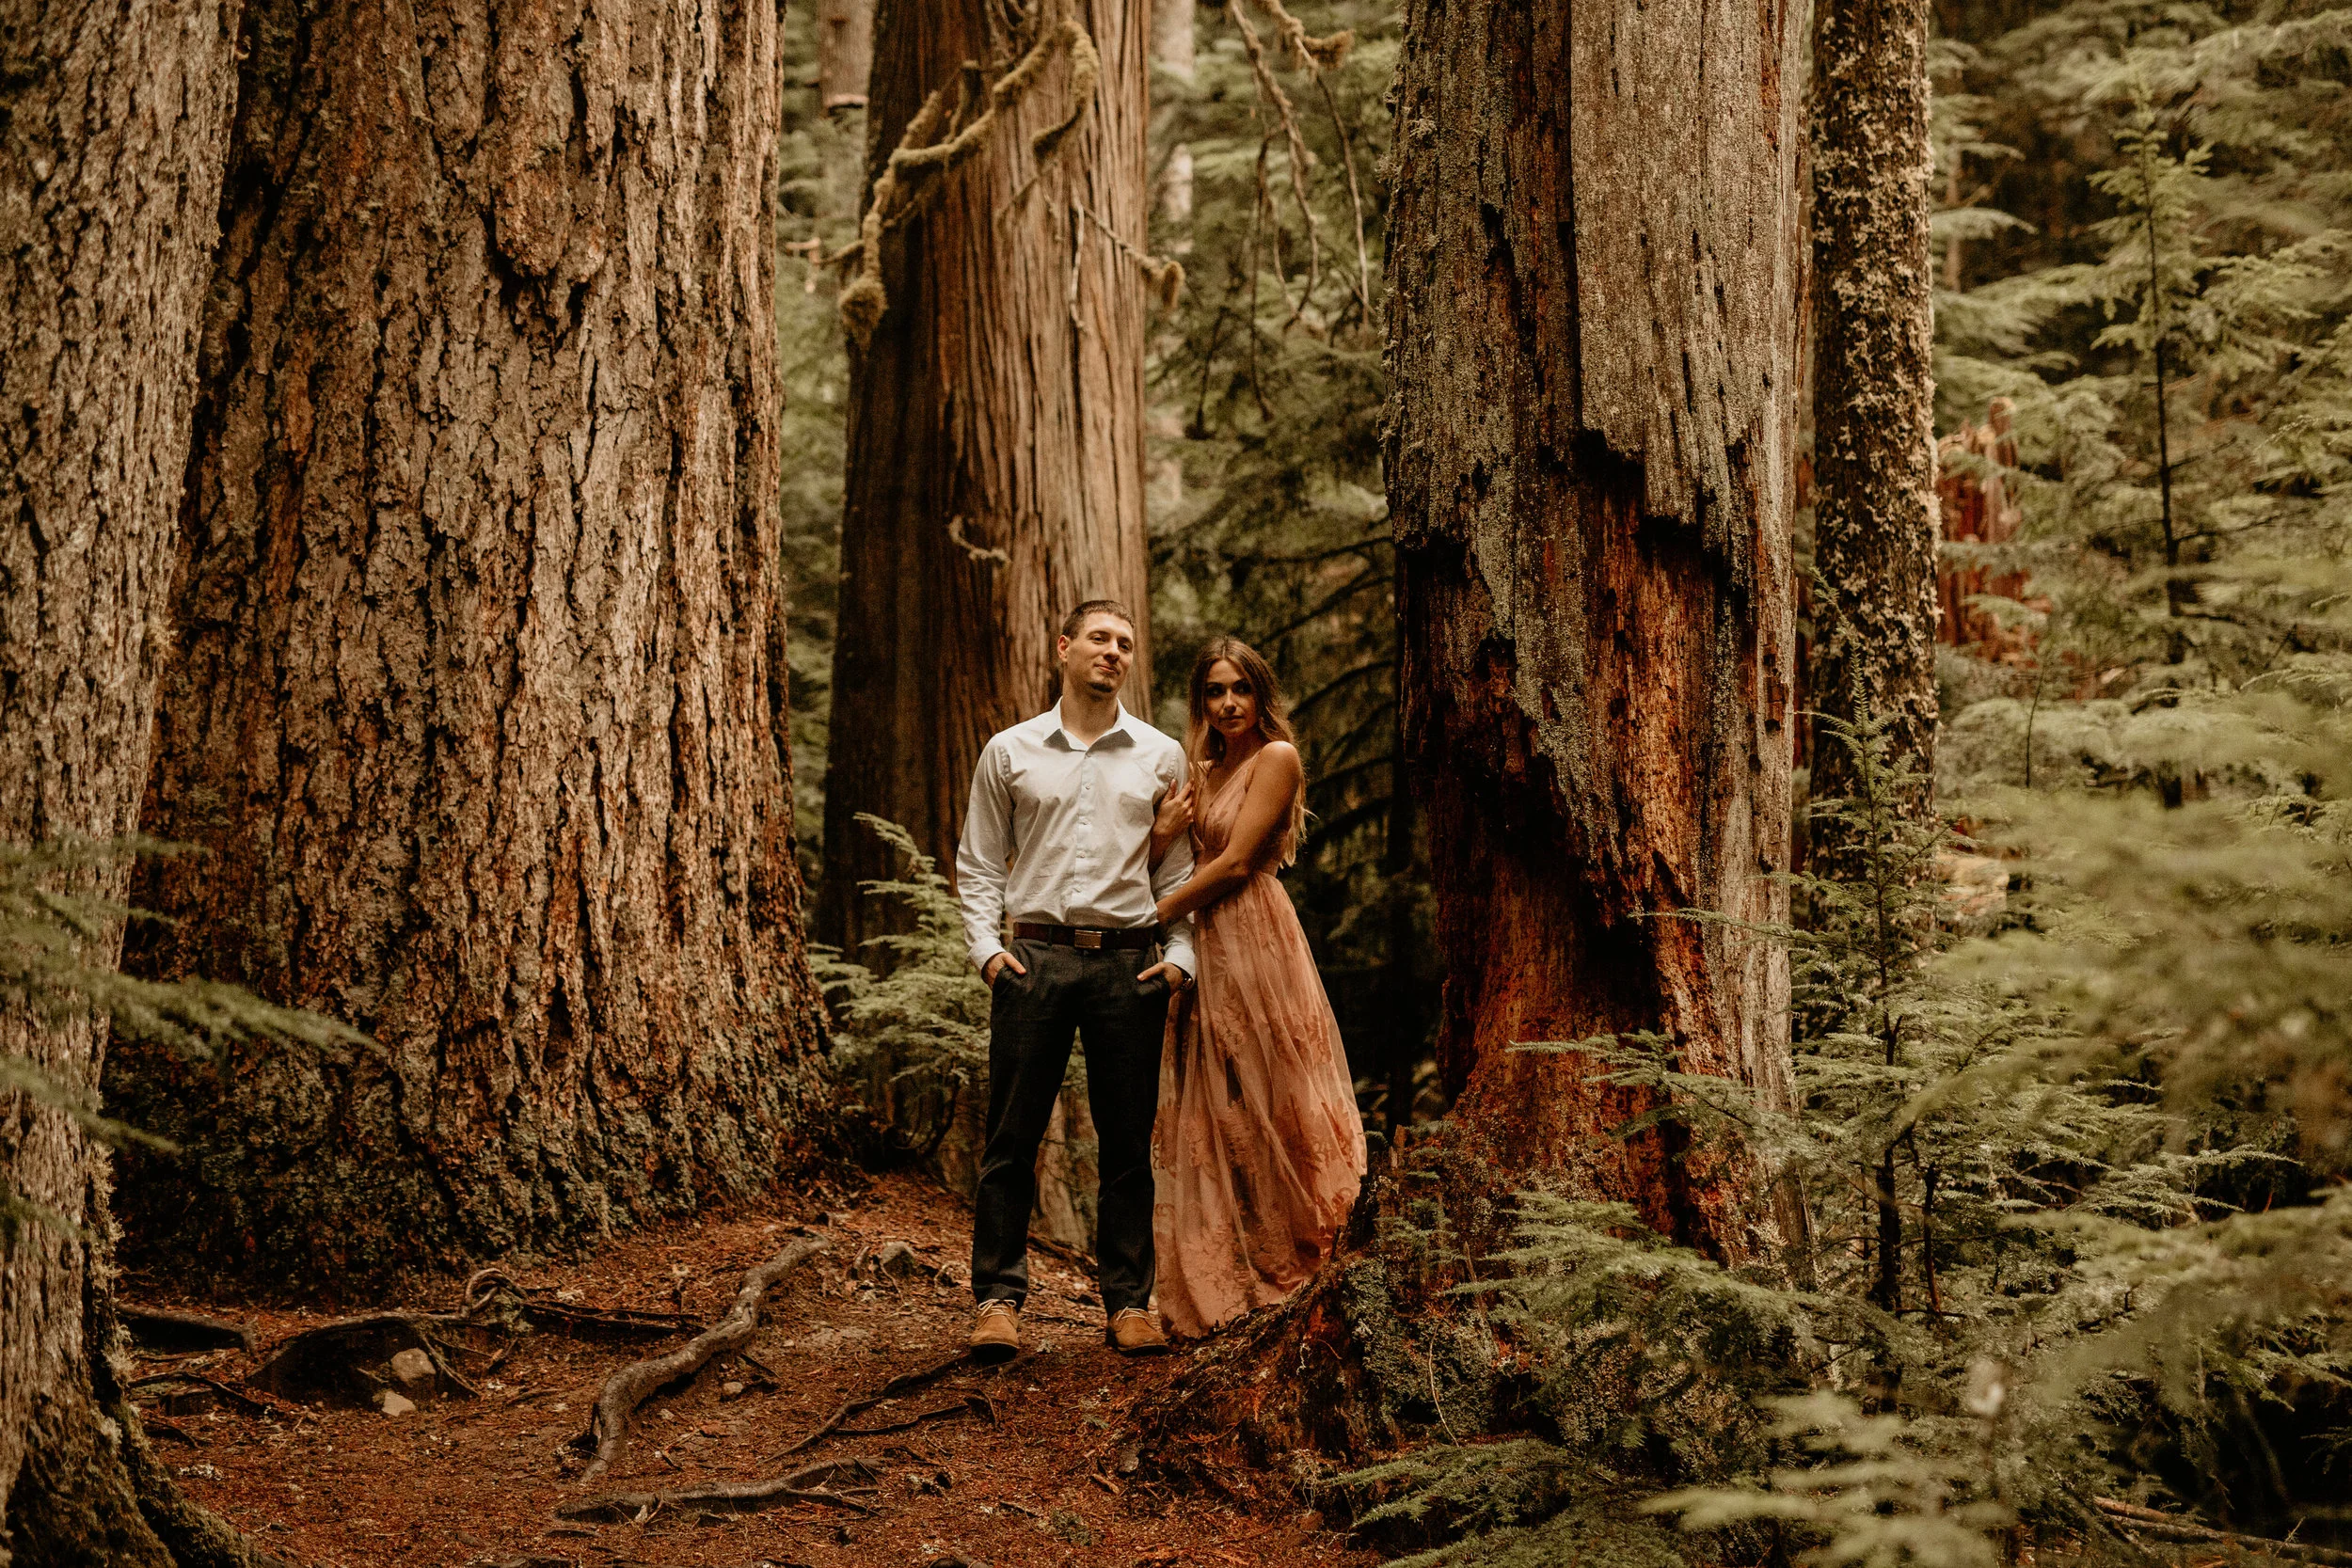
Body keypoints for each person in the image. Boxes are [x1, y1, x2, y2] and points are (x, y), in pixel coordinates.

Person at [955, 600, 1197, 1362]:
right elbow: (979, 860)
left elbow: (1178, 871)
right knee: (1012, 1135)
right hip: (1034, 958)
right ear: (1063, 647)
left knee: (1127, 1141)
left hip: (1130, 963)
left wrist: (1180, 955)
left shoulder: (1160, 755)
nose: (1114, 652)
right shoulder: (1011, 750)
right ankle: (997, 1298)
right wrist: (987, 950)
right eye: (1099, 638)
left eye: (1126, 642)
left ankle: (1128, 1303)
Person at [1145, 638, 1367, 1339]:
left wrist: (1148, 917)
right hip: (1199, 942)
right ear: (1200, 701)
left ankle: (1310, 1246)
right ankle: (1236, 1263)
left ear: (1260, 693)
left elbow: (1238, 861)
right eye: (1215, 691)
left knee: (1281, 1088)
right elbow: (1169, 857)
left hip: (1255, 936)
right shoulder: (1200, 771)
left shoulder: (1277, 757)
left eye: (1240, 688)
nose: (1229, 703)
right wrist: (1160, 835)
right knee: (1220, 1102)